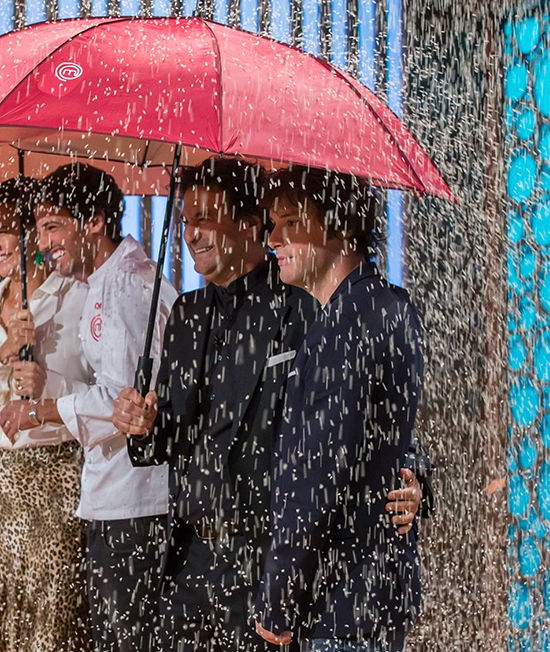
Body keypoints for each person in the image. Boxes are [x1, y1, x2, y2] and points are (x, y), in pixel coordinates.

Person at [112, 158, 430, 652]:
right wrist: (142, 426)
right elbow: (174, 434)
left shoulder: (310, 301)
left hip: (271, 559)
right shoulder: (187, 313)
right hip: (193, 553)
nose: (192, 232)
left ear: (246, 222)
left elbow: (358, 430)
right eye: (186, 219)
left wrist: (413, 478)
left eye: (206, 217)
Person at [0, 163, 177, 651]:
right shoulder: (111, 279)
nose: (41, 242)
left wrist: (39, 410)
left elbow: (122, 401)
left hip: (132, 497)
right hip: (112, 493)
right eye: (37, 229)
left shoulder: (123, 288)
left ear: (96, 222)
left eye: (53, 226)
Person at [254, 168, 425, 651]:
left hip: (338, 599)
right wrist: (415, 474)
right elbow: (394, 430)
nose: (273, 239)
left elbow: (317, 475)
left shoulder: (342, 325)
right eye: (272, 223)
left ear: (338, 224)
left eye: (289, 222)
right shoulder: (390, 305)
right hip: (376, 591)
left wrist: (279, 595)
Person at [0, 177, 92, 652]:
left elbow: (99, 390)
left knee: (49, 622)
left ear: (33, 232)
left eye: (6, 230)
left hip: (57, 477)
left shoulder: (74, 297)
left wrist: (44, 386)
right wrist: (1, 357)